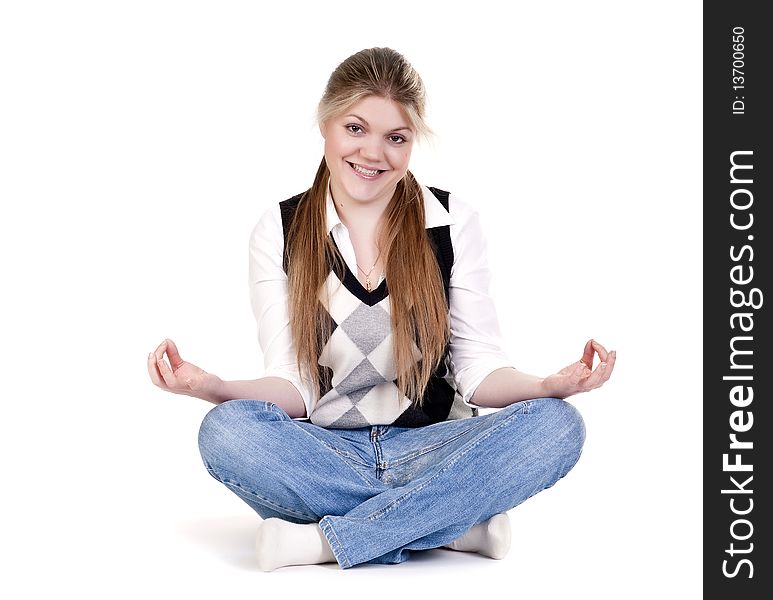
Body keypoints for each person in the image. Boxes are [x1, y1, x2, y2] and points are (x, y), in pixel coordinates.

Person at [147, 47, 616, 571]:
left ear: (413, 143)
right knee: (227, 431)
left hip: (436, 448)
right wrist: (209, 387)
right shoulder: (279, 229)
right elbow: (293, 387)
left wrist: (549, 386)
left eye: (396, 138)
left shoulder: (452, 222)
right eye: (355, 129)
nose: (374, 153)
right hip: (324, 453)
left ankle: (326, 542)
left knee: (558, 425)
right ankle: (451, 523)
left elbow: (479, 370)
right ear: (325, 124)